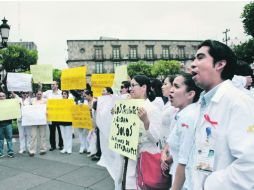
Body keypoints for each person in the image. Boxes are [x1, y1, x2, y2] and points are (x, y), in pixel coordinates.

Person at [189, 40, 254, 189]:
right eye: (194, 59)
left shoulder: (238, 101)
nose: (193, 64)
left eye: (200, 57)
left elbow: (250, 164)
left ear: (219, 64)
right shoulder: (204, 103)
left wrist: (210, 184)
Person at [160, 73, 202, 190]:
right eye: (172, 86)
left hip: (186, 183)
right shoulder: (181, 114)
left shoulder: (187, 118)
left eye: (177, 87)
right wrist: (167, 156)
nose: (171, 91)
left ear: (190, 94)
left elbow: (184, 161)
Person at [124, 75, 162, 190]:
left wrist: (146, 121)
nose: (130, 89)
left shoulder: (152, 109)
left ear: (143, 87)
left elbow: (155, 138)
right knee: (130, 184)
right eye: (130, 86)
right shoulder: (128, 107)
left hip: (147, 156)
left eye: (133, 85)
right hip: (131, 155)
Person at [42, 81, 63, 151]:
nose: (52, 85)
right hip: (51, 115)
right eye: (51, 84)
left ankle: (61, 145)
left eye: (53, 84)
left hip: (59, 115)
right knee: (52, 131)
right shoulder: (48, 92)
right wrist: (40, 86)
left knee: (60, 131)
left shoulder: (61, 93)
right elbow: (40, 94)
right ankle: (52, 146)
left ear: (57, 85)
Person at [159, 75, 177, 149]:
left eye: (165, 84)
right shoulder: (167, 103)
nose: (162, 87)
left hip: (170, 148)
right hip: (162, 145)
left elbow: (174, 131)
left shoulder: (175, 105)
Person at [29, 90, 47, 157]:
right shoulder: (32, 100)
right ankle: (32, 151)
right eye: (38, 94)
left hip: (42, 120)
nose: (39, 95)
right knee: (33, 136)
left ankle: (43, 150)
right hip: (34, 120)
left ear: (42, 94)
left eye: (40, 94)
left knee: (42, 135)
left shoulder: (45, 101)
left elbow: (47, 108)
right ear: (35, 94)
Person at [0, 92, 14, 158]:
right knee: (0, 139)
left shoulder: (9, 104)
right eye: (0, 96)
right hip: (0, 125)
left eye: (3, 96)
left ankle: (10, 152)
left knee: (9, 139)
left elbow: (13, 113)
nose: (2, 97)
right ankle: (0, 153)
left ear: (5, 97)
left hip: (8, 124)